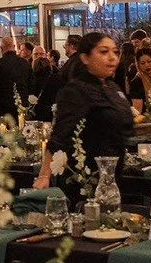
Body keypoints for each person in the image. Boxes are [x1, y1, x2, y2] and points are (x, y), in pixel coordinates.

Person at [34, 33, 134, 190]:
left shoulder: (112, 87)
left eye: (115, 52)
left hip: (113, 176)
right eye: (103, 52)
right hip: (85, 178)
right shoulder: (76, 90)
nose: (112, 57)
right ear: (85, 58)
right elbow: (59, 136)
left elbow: (126, 126)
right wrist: (44, 175)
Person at [34, 34, 81, 122]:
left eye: (65, 46)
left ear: (71, 46)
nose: (64, 48)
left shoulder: (71, 63)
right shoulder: (79, 61)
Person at [0, 35, 31, 119]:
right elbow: (31, 84)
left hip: (4, 107)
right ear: (14, 47)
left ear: (1, 48)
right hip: (22, 105)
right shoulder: (25, 63)